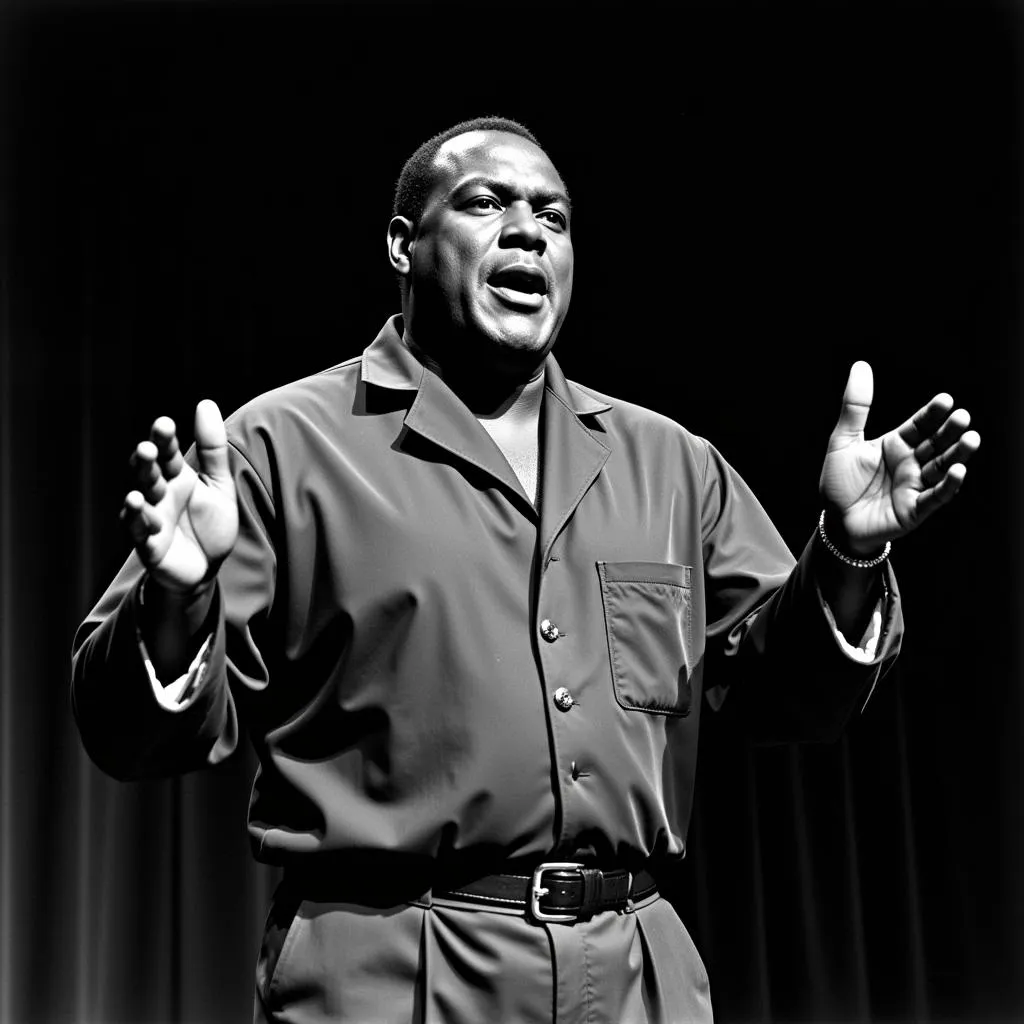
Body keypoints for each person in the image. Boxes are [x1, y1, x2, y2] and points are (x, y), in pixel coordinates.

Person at [71, 116, 980, 1024]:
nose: (527, 231)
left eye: (554, 215)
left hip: (634, 977)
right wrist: (177, 595)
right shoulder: (280, 448)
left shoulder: (669, 463)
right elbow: (129, 736)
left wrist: (851, 551)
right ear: (402, 244)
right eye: (486, 203)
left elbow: (790, 699)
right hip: (395, 977)